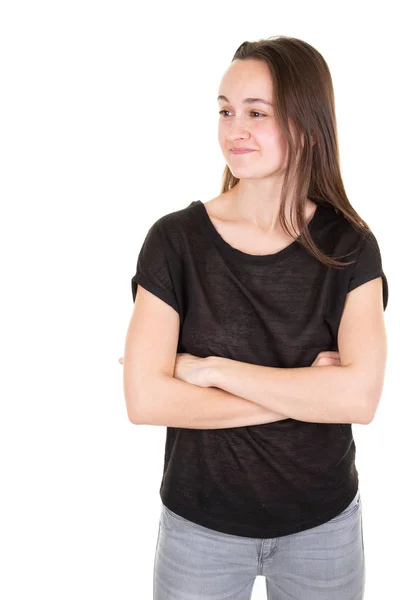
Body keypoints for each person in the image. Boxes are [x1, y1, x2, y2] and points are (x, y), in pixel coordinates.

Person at [122, 36, 388, 600]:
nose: (233, 129)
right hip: (201, 528)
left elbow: (359, 400)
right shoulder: (175, 241)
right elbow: (146, 400)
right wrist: (309, 392)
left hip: (323, 528)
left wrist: (212, 370)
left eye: (256, 113)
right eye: (225, 110)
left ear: (307, 124)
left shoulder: (350, 247)